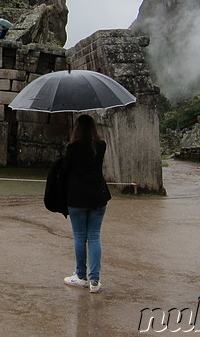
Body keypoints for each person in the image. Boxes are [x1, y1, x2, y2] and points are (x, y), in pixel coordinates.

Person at [61, 114, 111, 293]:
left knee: (80, 237)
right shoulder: (101, 146)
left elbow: (65, 170)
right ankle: (95, 281)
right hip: (98, 196)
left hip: (77, 198)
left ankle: (81, 275)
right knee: (95, 236)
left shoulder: (72, 148)